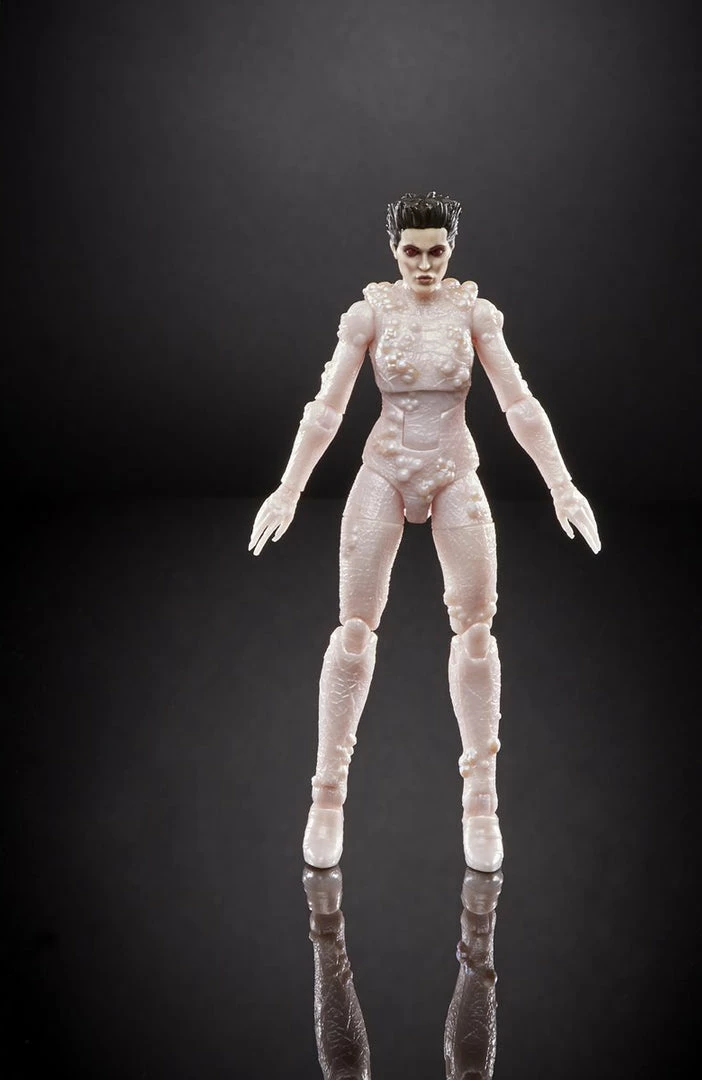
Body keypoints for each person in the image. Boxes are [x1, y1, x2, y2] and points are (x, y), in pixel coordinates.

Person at [249, 192, 599, 872]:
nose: (425, 264)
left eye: (437, 251)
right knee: (354, 630)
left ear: (452, 248)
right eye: (412, 251)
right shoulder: (370, 313)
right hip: (384, 468)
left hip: (453, 467)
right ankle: (326, 797)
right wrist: (288, 488)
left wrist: (562, 484)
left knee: (476, 634)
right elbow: (327, 408)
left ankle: (481, 803)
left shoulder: (474, 314)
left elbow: (518, 402)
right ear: (394, 250)